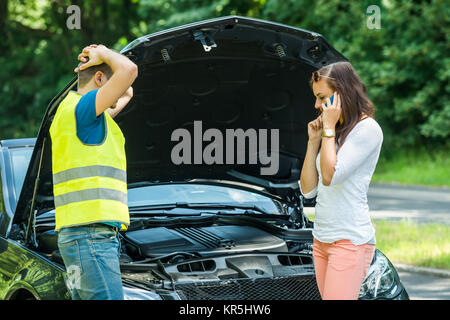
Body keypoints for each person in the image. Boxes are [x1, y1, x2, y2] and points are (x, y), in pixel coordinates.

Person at [49, 44, 138, 300]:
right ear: (99, 78)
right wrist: (104, 52)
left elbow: (127, 90)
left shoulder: (74, 112)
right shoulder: (84, 108)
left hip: (80, 238)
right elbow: (129, 71)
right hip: (90, 239)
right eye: (107, 82)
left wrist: (103, 63)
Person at [299, 61, 383, 300]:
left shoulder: (367, 130)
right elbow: (308, 190)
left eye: (321, 97)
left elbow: (330, 176)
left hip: (349, 241)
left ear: (342, 93)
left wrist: (327, 128)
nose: (316, 104)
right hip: (321, 239)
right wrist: (313, 141)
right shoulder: (333, 133)